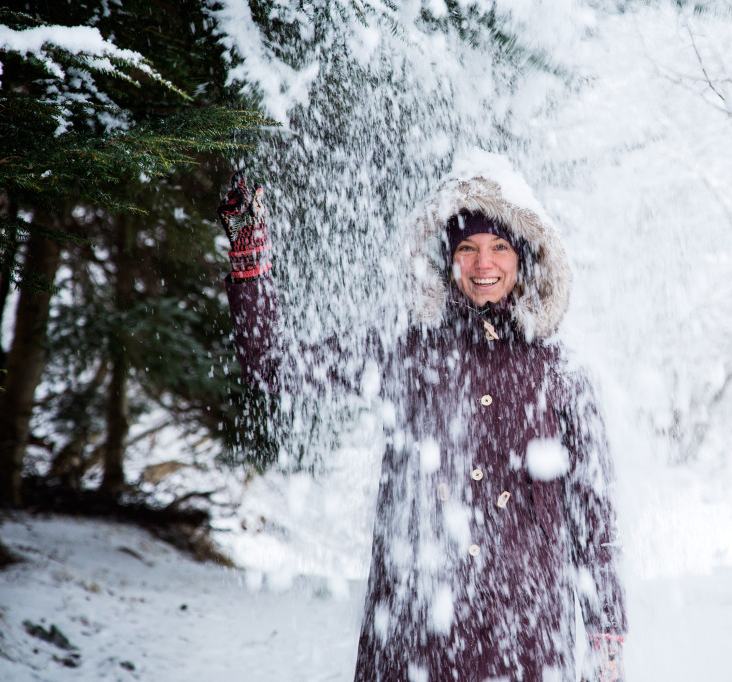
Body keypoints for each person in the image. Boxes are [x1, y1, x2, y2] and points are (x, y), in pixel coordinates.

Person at [218, 153, 627, 682]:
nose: (484, 265)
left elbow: (594, 510)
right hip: (416, 630)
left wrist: (606, 633)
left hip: (526, 632)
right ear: (447, 259)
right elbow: (273, 368)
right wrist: (250, 261)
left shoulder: (562, 372)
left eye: (500, 247)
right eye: (468, 248)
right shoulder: (406, 350)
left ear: (524, 259)